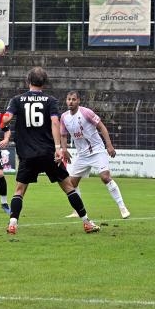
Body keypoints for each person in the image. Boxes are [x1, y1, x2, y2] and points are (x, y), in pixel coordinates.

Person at [1, 66, 100, 235]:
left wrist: (2, 124)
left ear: (28, 81)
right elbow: (55, 122)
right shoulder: (50, 100)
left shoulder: (17, 100)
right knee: (69, 187)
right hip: (48, 153)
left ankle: (12, 223)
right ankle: (86, 222)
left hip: (27, 154)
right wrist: (58, 148)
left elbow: (6, 119)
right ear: (44, 83)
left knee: (19, 190)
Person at [60, 91, 130, 219]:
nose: (71, 101)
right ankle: (77, 211)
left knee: (105, 177)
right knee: (71, 183)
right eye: (69, 99)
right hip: (82, 155)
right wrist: (64, 149)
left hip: (97, 151)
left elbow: (102, 127)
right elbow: (63, 135)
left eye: (73, 99)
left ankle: (122, 207)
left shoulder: (86, 113)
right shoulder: (64, 117)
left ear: (78, 101)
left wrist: (109, 145)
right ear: (66, 101)